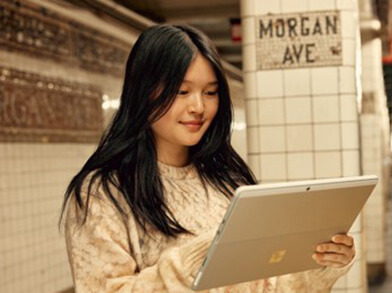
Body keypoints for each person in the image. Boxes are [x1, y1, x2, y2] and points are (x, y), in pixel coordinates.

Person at [60, 24, 356, 293]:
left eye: (210, 92)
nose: (198, 107)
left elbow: (265, 285)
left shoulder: (228, 181)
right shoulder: (102, 195)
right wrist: (190, 264)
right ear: (143, 93)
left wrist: (319, 265)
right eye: (182, 91)